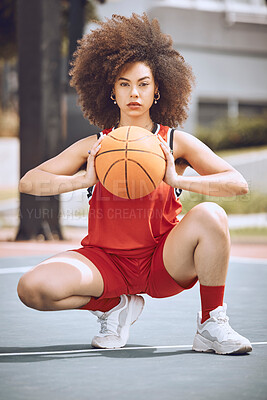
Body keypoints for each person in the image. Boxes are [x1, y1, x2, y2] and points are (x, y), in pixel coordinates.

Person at [17, 13, 252, 355]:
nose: (134, 93)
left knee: (211, 215)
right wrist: (84, 179)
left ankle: (211, 323)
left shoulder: (175, 143)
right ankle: (114, 306)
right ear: (111, 91)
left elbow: (238, 183)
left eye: (143, 83)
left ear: (158, 89)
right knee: (32, 288)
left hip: (163, 260)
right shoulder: (95, 145)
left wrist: (173, 178)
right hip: (105, 262)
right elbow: (29, 181)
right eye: (124, 84)